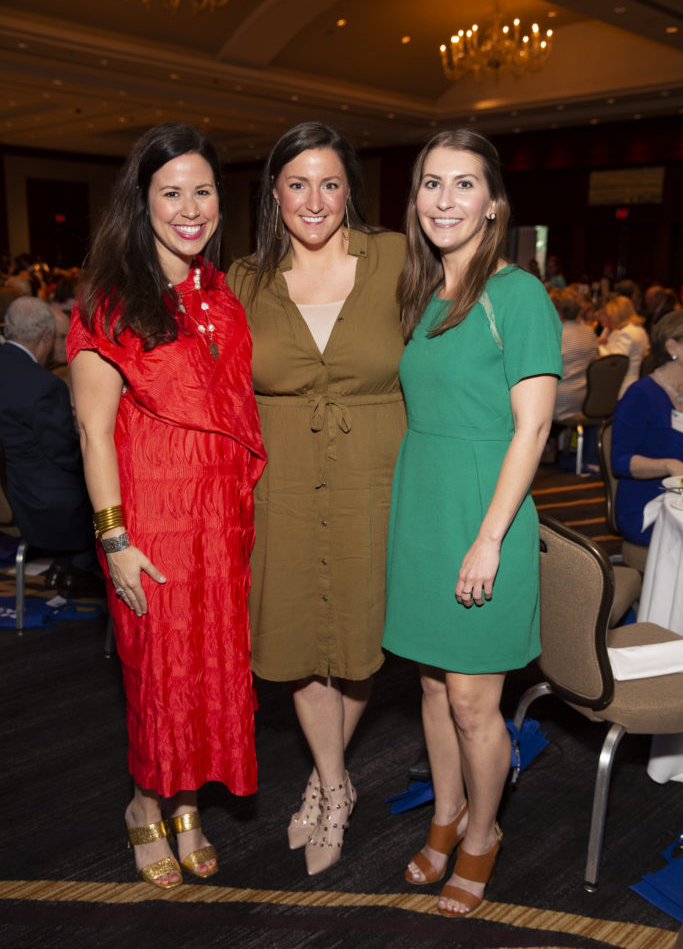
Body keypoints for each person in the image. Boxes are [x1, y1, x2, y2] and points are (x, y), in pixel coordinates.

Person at [68, 124, 266, 890]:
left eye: (204, 191)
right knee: (159, 673)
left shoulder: (222, 298)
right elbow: (91, 430)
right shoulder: (110, 296)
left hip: (220, 520)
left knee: (211, 667)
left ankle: (188, 803)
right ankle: (145, 804)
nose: (190, 208)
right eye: (171, 192)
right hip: (149, 520)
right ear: (141, 201)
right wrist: (114, 541)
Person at [383, 130, 561, 916]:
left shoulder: (517, 294)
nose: (444, 200)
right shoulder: (422, 295)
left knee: (471, 702)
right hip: (422, 509)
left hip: (483, 514)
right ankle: (445, 814)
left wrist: (488, 536)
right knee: (429, 686)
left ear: (492, 205)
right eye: (430, 184)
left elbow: (531, 429)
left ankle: (483, 834)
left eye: (463, 185)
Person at [228, 122, 406, 876]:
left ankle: (324, 776)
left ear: (349, 192)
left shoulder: (395, 258)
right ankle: (335, 784)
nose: (313, 199)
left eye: (329, 183)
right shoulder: (243, 279)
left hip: (379, 473)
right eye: (296, 182)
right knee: (302, 641)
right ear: (273, 192)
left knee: (361, 639)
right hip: (285, 484)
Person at [0, 296, 99, 594]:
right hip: (44, 510)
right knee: (110, 490)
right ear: (45, 336)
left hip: (12, 498)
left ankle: (71, 567)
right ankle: (80, 568)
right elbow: (68, 456)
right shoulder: (45, 386)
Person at [612, 310, 683, 546]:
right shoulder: (641, 395)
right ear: (673, 347)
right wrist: (669, 465)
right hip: (648, 504)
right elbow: (620, 461)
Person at [551, 287, 598, 421]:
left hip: (561, 404)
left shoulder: (555, 334)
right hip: (586, 400)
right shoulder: (590, 331)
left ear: (557, 310)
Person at [597, 294, 649, 398]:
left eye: (609, 315)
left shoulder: (628, 332)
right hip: (632, 381)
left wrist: (595, 345)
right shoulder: (637, 329)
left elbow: (614, 363)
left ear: (617, 314)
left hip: (624, 386)